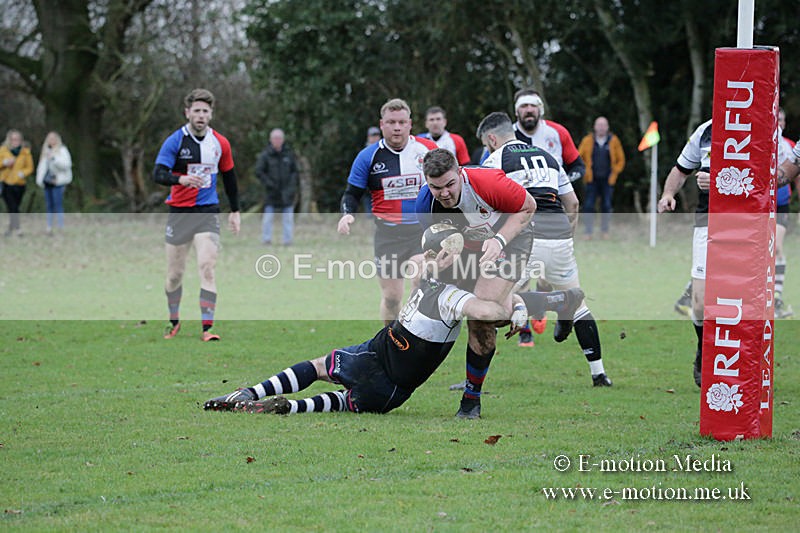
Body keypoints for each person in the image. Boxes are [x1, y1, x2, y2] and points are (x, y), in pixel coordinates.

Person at [204, 265, 585, 415]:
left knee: (321, 370)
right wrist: (520, 308)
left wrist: (517, 306)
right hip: (386, 373)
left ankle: (252, 394)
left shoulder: (444, 289)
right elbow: (489, 309)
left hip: (382, 364)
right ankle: (288, 409)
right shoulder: (451, 293)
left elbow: (488, 308)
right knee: (338, 399)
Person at [478, 111, 611, 386]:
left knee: (491, 306)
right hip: (560, 236)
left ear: (491, 139)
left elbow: (487, 210)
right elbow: (572, 203)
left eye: (485, 142)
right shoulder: (549, 157)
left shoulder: (495, 160)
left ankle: (474, 380)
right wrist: (566, 238)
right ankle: (599, 375)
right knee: (581, 308)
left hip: (527, 239)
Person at [416, 148, 537, 419]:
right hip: (471, 248)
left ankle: (471, 401)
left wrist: (499, 240)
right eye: (436, 188)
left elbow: (529, 207)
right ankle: (522, 302)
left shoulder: (487, 182)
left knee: (481, 314)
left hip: (512, 240)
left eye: (450, 184)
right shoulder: (425, 205)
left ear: (459, 173)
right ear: (427, 183)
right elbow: (434, 248)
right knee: (430, 289)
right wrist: (439, 261)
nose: (444, 193)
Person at [337, 98, 437, 324]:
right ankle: (390, 340)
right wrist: (347, 214)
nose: (397, 127)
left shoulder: (428, 151)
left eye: (402, 122)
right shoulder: (368, 157)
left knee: (421, 279)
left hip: (421, 232)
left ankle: (411, 330)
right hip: (388, 235)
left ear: (410, 124)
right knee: (392, 298)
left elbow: (451, 184)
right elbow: (351, 193)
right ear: (382, 124)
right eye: (391, 122)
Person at [153, 88, 241, 342]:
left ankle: (207, 328)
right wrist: (180, 178)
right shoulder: (175, 141)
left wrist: (235, 211)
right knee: (174, 274)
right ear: (187, 113)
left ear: (211, 114)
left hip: (207, 213)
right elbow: (158, 173)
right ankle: (174, 320)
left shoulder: (220, 143)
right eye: (197, 111)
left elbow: (230, 178)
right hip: (179, 213)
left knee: (207, 267)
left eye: (205, 111)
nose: (201, 115)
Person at [657, 119, 712, 387]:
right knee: (700, 302)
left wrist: (721, 181)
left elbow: (775, 176)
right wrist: (668, 193)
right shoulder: (706, 131)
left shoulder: (759, 126)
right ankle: (704, 350)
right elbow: (681, 169)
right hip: (708, 224)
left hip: (749, 226)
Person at [512, 88, 586, 202]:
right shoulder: (506, 136)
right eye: (524, 106)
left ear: (540, 109)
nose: (529, 110)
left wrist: (563, 185)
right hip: (518, 204)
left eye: (533, 105)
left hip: (552, 203)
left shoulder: (558, 132)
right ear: (516, 111)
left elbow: (578, 167)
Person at [578, 116, 626, 240]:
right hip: (591, 180)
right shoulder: (587, 140)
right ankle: (588, 232)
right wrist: (584, 171)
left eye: (603, 125)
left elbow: (621, 160)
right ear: (594, 127)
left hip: (607, 180)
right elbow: (579, 157)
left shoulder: (614, 140)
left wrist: (615, 172)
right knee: (588, 205)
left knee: (607, 205)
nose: (601, 128)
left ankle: (605, 232)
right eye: (599, 125)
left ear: (607, 127)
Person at [256, 128, 299, 246]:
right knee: (268, 218)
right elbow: (259, 172)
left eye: (279, 138)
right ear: (270, 140)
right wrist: (269, 183)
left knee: (288, 219)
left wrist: (291, 187)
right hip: (271, 192)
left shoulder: (289, 155)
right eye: (275, 138)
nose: (277, 141)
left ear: (283, 140)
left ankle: (288, 240)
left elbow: (294, 172)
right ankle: (266, 239)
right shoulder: (265, 155)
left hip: (287, 193)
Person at [775, 108, 794, 318]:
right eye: (775, 119)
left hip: (781, 204)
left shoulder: (789, 146)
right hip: (760, 207)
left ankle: (776, 297)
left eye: (781, 120)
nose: (778, 123)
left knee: (777, 247)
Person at [35, 131, 73, 235]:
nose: (51, 141)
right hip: (47, 182)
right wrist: (39, 180)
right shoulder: (45, 151)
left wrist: (54, 159)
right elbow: (41, 168)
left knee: (58, 205)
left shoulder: (62, 150)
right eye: (49, 139)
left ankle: (60, 226)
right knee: (49, 205)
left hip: (58, 182)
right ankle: (49, 226)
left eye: (53, 139)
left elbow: (67, 165)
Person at [0, 130, 34, 237]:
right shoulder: (3, 151)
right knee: (12, 206)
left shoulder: (25, 152)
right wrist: (4, 163)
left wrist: (23, 173)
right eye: (13, 139)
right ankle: (18, 229)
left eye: (17, 139)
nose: (15, 141)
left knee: (15, 207)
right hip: (6, 182)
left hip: (19, 183)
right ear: (9, 140)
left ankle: (10, 229)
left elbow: (30, 167)